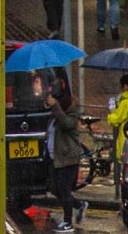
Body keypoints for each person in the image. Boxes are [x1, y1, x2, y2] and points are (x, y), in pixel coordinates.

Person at [46, 82, 87, 231]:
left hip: (68, 158)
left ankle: (67, 222)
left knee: (64, 190)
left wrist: (55, 106)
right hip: (56, 158)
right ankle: (79, 205)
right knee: (55, 189)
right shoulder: (55, 116)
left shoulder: (71, 115)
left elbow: (66, 124)